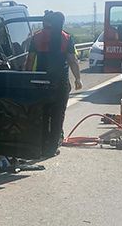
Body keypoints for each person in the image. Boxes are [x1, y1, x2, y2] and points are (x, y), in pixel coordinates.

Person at [25, 11, 82, 157]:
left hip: (40, 81)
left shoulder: (37, 37)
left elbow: (30, 60)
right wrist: (77, 79)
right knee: (58, 115)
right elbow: (72, 60)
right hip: (59, 82)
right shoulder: (66, 37)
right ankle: (51, 148)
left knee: (42, 114)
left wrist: (27, 78)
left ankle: (40, 145)